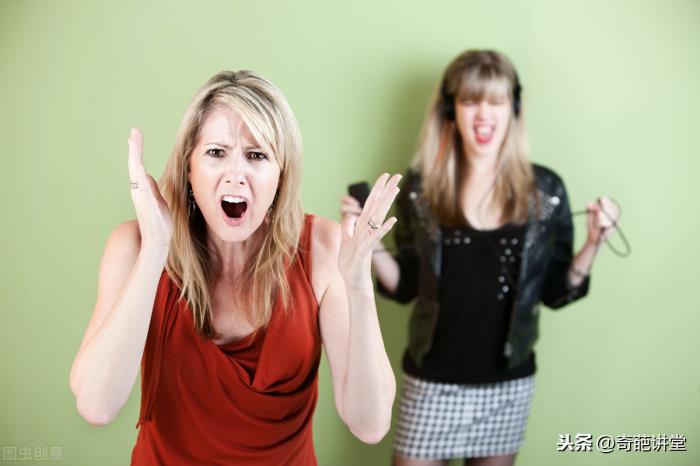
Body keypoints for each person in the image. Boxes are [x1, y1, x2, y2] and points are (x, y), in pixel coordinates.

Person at [69, 70, 400, 465]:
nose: (236, 175)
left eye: (256, 155)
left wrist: (358, 286)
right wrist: (156, 248)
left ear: (281, 174)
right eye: (216, 153)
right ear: (189, 167)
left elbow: (370, 424)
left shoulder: (323, 248)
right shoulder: (135, 246)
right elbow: (96, 405)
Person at [340, 50, 619, 466]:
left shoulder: (546, 191)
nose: (483, 114)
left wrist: (594, 242)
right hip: (431, 382)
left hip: (507, 387)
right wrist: (370, 241)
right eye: (470, 100)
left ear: (513, 110)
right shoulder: (421, 190)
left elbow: (557, 291)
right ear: (451, 110)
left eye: (496, 101)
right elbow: (406, 285)